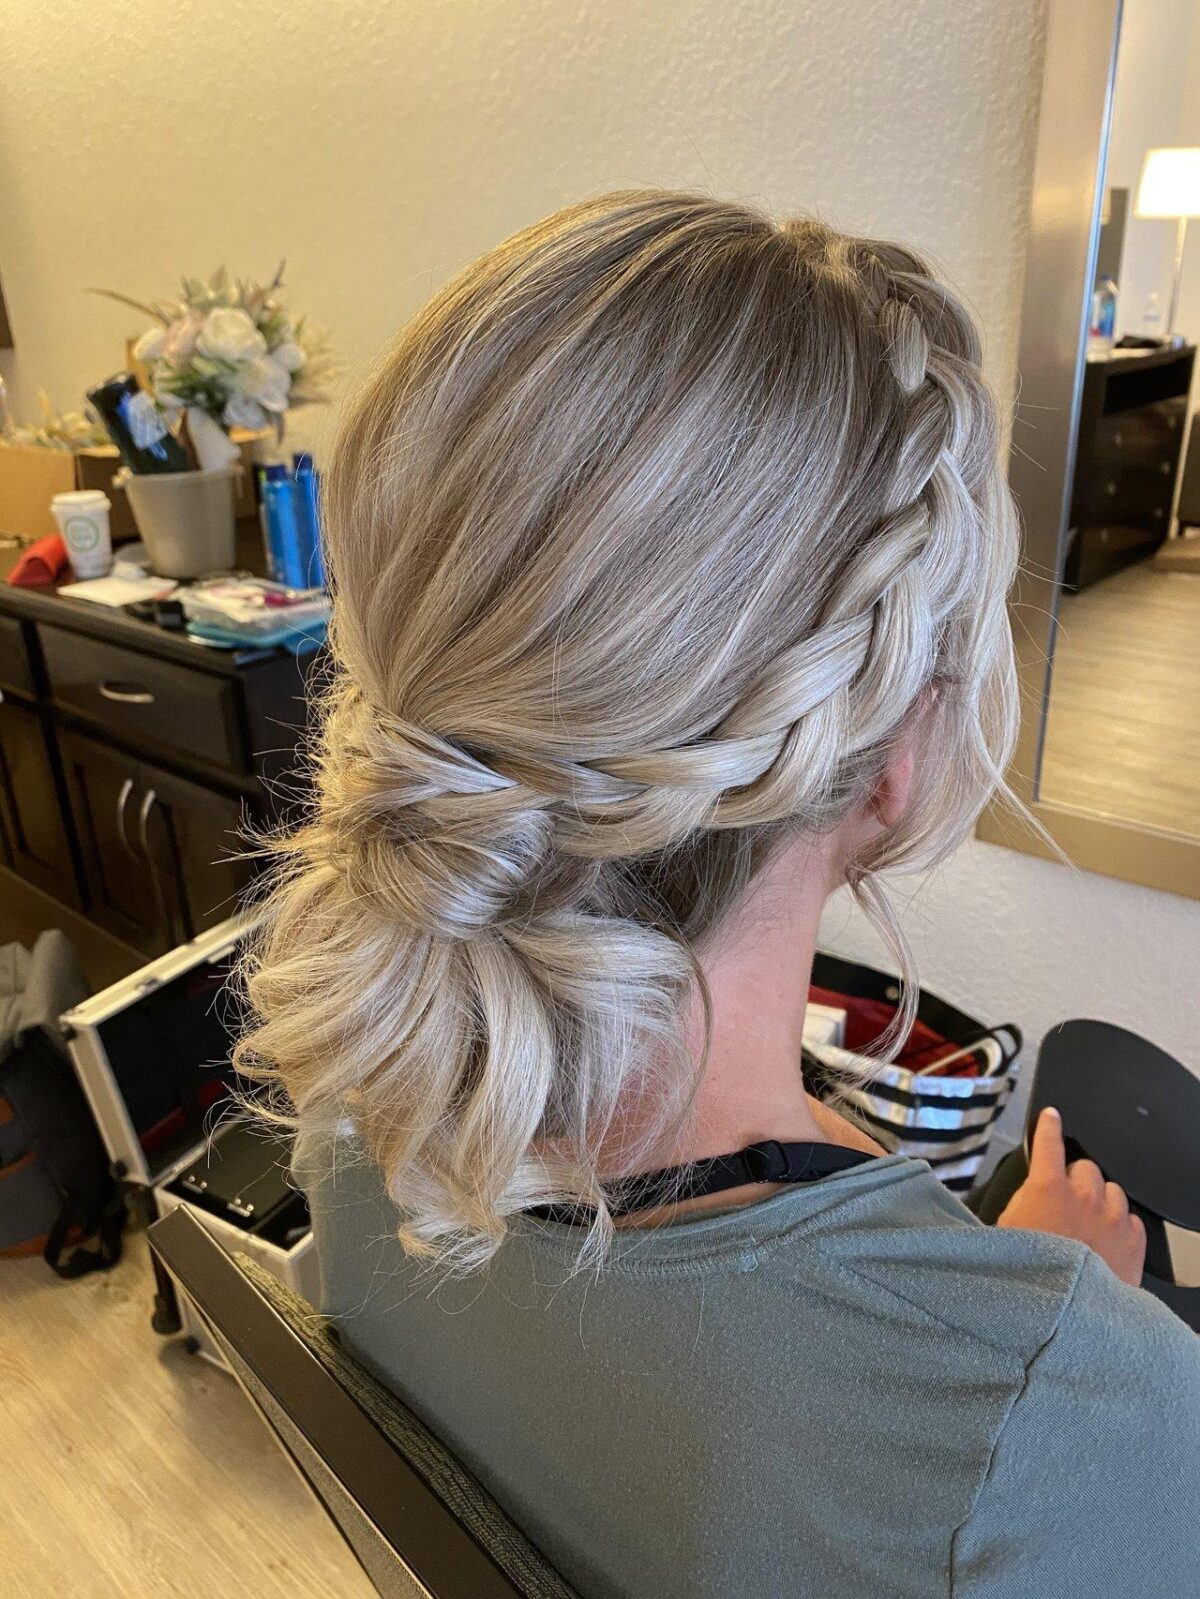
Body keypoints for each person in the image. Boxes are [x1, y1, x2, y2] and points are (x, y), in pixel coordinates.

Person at [236, 192, 1200, 1597]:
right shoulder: (1083, 1417)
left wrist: (1023, 1348)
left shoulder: (352, 1106)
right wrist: (1046, 1368)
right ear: (898, 756)